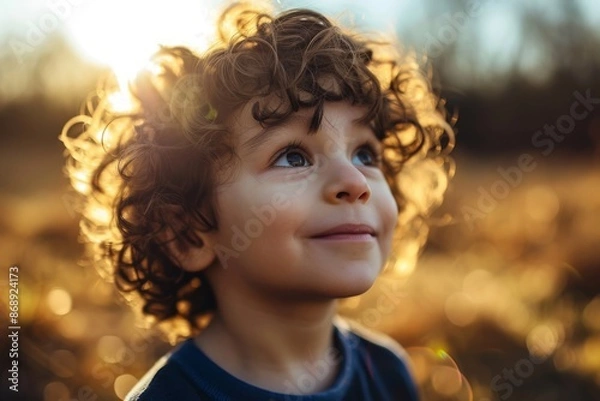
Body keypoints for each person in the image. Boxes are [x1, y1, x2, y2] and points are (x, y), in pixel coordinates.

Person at [61, 2, 454, 400]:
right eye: (293, 156)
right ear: (188, 233)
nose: (355, 182)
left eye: (365, 155)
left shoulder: (388, 373)